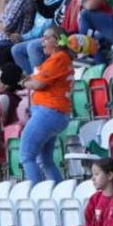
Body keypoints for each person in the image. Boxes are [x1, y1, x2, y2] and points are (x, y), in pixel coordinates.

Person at [20, 27, 74, 183]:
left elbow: (37, 84)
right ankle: (58, 193)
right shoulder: (56, 59)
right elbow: (34, 80)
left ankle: (36, 194)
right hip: (52, 112)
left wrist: (22, 82)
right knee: (45, 160)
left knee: (26, 155)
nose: (42, 41)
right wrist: (27, 80)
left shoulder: (59, 58)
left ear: (57, 41)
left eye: (46, 37)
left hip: (49, 111)